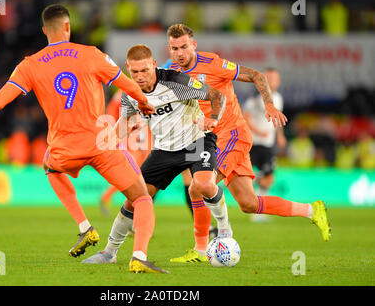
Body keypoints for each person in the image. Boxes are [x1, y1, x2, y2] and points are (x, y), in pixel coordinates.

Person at [0, 4, 168, 274]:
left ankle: (85, 227)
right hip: (102, 143)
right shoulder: (91, 54)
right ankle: (138, 255)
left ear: (45, 31)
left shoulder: (30, 64)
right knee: (141, 199)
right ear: (68, 26)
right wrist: (144, 102)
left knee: (50, 166)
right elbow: (125, 82)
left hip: (64, 148)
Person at [166, 24, 331, 262]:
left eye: (184, 46)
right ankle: (311, 210)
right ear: (169, 49)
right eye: (174, 48)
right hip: (208, 141)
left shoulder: (213, 63)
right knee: (249, 204)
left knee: (198, 186)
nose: (180, 52)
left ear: (193, 45)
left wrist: (270, 104)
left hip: (231, 135)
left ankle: (205, 246)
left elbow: (256, 75)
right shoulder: (171, 71)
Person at [82, 44, 230, 264]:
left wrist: (213, 119)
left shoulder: (176, 81)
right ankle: (109, 252)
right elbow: (125, 122)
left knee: (204, 186)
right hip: (164, 150)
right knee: (134, 199)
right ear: (128, 70)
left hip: (195, 141)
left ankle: (225, 232)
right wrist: (105, 144)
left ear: (153, 64)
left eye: (144, 70)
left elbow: (217, 95)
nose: (140, 77)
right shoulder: (129, 94)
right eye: (135, 72)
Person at [243, 67, 287, 222]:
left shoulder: (279, 99)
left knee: (268, 178)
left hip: (268, 145)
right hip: (253, 143)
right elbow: (245, 118)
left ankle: (259, 210)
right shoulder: (255, 99)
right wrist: (258, 132)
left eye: (274, 79)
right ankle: (257, 209)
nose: (272, 81)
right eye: (268, 78)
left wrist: (280, 135)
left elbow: (277, 119)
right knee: (259, 176)